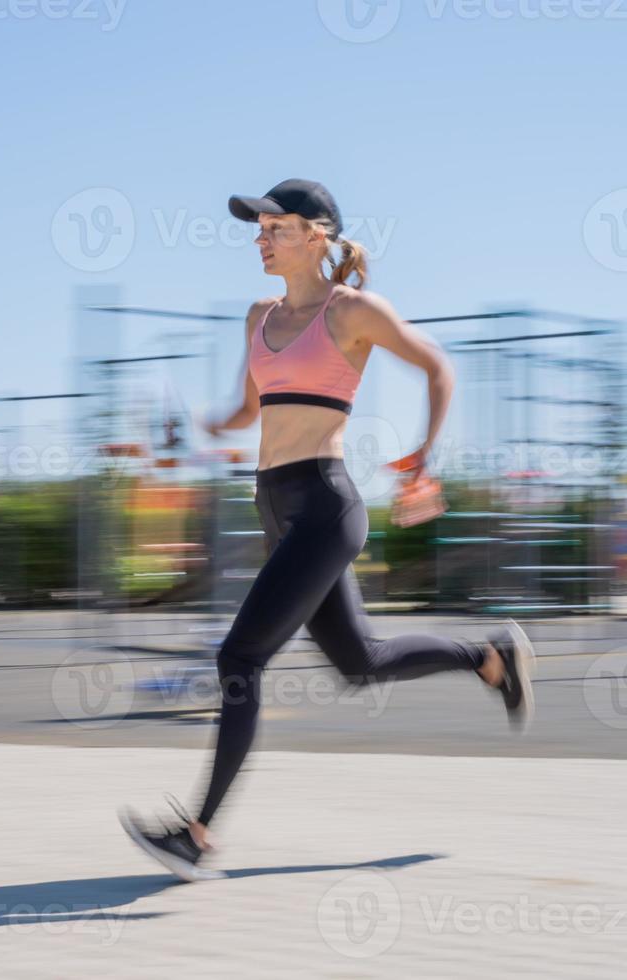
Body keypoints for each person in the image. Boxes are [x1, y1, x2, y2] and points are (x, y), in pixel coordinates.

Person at [119, 179, 536, 882]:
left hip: (324, 505)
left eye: (273, 227)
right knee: (358, 664)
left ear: (317, 235)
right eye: (257, 228)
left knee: (238, 661)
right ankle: (488, 658)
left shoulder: (353, 313)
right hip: (274, 506)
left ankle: (196, 833)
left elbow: (438, 369)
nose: (259, 238)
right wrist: (200, 424)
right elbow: (249, 409)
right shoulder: (257, 316)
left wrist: (420, 463)